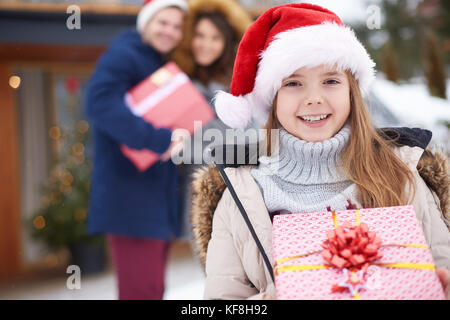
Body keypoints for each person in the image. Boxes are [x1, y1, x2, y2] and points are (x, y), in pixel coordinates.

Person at [189, 3, 450, 299]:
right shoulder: (241, 195)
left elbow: (441, 265)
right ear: (272, 99)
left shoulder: (402, 173)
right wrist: (288, 292)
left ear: (351, 91)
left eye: (330, 81)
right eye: (294, 83)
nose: (314, 98)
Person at [85, 0, 188, 300]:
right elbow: (100, 103)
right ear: (146, 22)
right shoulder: (124, 55)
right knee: (141, 292)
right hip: (130, 200)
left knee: (152, 290)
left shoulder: (157, 62)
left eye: (177, 26)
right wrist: (159, 139)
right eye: (163, 22)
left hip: (154, 200)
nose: (169, 31)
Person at [171, 0, 253, 240]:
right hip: (195, 185)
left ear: (227, 42)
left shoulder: (241, 81)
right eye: (199, 35)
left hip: (236, 185)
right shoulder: (179, 79)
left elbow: (252, 136)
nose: (205, 44)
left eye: (215, 37)